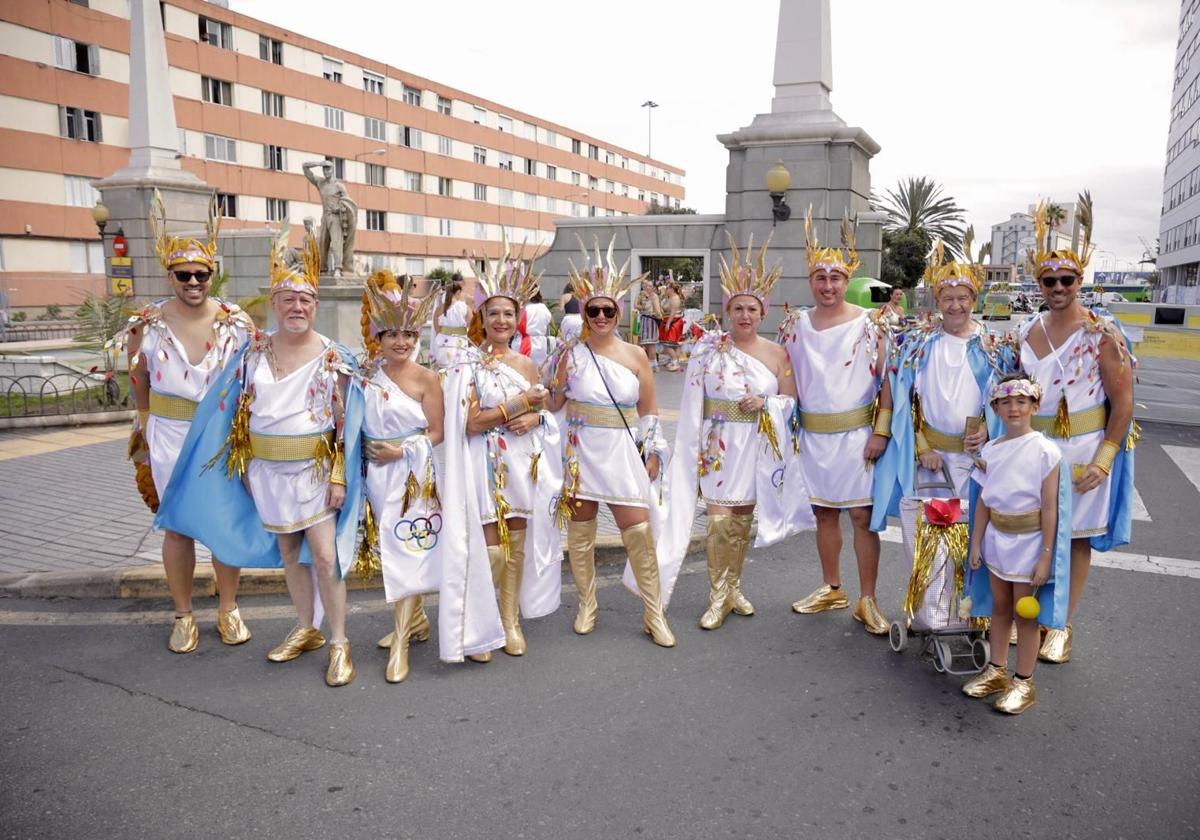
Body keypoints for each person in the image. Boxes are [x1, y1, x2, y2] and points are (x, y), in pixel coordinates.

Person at [206, 226, 362, 686]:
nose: (297, 307)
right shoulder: (252, 353)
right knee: (289, 554)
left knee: (326, 557)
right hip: (267, 473)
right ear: (274, 303)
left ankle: (338, 642)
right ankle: (307, 627)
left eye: (306, 301)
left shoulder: (334, 356)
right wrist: (246, 469)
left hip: (314, 471)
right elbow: (235, 413)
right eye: (288, 299)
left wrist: (338, 476)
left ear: (315, 306)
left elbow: (345, 426)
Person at [113, 190, 255, 653]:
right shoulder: (147, 324)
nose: (193, 282)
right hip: (170, 434)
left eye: (201, 274)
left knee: (223, 521)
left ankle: (229, 608)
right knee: (178, 526)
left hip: (219, 433)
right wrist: (144, 425)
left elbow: (254, 378)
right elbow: (139, 381)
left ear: (212, 274)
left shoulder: (238, 323)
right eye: (184, 275)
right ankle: (183, 615)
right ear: (169, 274)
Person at [660, 234, 815, 630]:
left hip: (754, 445)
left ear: (761, 313)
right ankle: (717, 596)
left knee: (741, 523)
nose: (745, 315)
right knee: (717, 522)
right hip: (716, 445)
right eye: (738, 308)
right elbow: (693, 402)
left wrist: (767, 404)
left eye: (752, 308)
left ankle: (733, 587)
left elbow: (792, 402)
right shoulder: (708, 349)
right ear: (728, 311)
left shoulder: (778, 353)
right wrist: (690, 448)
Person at [346, 270, 486, 681]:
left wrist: (401, 450)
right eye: (392, 334)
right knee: (392, 550)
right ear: (379, 337)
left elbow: (438, 432)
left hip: (414, 475)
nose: (401, 342)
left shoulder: (428, 379)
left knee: (411, 548)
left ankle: (402, 639)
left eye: (408, 333)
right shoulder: (366, 374)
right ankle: (417, 620)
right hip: (376, 474)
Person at [1016, 194, 1136, 663]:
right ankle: (1030, 620)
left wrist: (1106, 458)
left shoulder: (1102, 333)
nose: (1058, 286)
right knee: (1032, 533)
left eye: (1066, 279)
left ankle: (1062, 625)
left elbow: (1123, 402)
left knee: (1075, 537)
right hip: (1035, 450)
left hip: (1085, 447)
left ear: (1079, 280)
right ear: (1039, 283)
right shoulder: (1026, 331)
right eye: (1049, 280)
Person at [545, 237, 674, 647]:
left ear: (618, 312)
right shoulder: (570, 354)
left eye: (608, 310)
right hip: (581, 450)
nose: (600, 316)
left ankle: (654, 614)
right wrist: (552, 384)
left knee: (637, 531)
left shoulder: (636, 355)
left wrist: (652, 451)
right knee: (580, 534)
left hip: (621, 450)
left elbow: (650, 409)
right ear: (583, 311)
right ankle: (587, 604)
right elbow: (553, 403)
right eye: (593, 309)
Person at [441, 239, 562, 661]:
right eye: (493, 313)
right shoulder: (467, 363)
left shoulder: (527, 364)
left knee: (518, 546)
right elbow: (472, 423)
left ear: (518, 319)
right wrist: (517, 406)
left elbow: (543, 410)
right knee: (491, 550)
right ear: (482, 318)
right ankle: (483, 621)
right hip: (483, 465)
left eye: (509, 313)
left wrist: (536, 417)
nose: (501, 320)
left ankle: (510, 620)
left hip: (521, 463)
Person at [778, 209, 894, 635]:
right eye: (820, 278)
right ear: (811, 280)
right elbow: (785, 378)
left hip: (857, 439)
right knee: (824, 516)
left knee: (862, 518)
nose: (828, 286)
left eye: (836, 278)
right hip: (812, 437)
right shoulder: (795, 325)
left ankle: (868, 598)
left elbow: (888, 382)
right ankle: (832, 587)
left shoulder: (872, 325)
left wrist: (880, 431)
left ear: (848, 281)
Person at [872, 231, 1009, 523]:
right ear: (937, 300)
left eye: (962, 297)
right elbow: (900, 398)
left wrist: (988, 428)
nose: (955, 305)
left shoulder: (994, 348)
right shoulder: (915, 344)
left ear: (974, 299)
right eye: (947, 298)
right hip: (929, 464)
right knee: (928, 553)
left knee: (970, 550)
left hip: (976, 463)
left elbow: (1009, 401)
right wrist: (922, 446)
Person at [962, 373, 1071, 714]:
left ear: (1035, 405)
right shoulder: (991, 449)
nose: (1013, 408)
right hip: (997, 541)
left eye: (1021, 401)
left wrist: (1045, 557)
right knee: (999, 608)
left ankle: (1024, 682)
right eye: (1005, 402)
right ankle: (996, 669)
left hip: (1029, 545)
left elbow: (1051, 509)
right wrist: (976, 543)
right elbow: (983, 502)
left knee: (1025, 617)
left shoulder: (1045, 451)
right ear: (995, 407)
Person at [302, 159, 358, 278]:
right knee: (323, 243)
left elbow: (348, 202)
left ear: (332, 170)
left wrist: (339, 208)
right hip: (325, 216)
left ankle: (338, 268)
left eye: (328, 169)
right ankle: (323, 268)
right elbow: (305, 168)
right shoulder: (320, 183)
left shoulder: (339, 186)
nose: (325, 171)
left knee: (336, 243)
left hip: (335, 218)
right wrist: (317, 163)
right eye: (324, 169)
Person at [430, 273, 470, 370]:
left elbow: (436, 326)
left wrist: (444, 335)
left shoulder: (440, 306)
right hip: (459, 342)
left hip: (443, 341)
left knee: (444, 370)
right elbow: (471, 324)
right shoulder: (464, 304)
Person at [518, 289, 554, 369]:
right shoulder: (543, 307)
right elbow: (548, 319)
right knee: (541, 370)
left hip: (522, 341)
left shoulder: (523, 307)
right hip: (541, 342)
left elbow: (518, 324)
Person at [634, 278, 663, 370]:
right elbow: (636, 306)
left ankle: (651, 363)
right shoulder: (643, 296)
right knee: (646, 343)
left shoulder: (654, 296)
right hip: (644, 320)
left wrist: (655, 313)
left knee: (650, 343)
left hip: (650, 321)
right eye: (646, 285)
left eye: (650, 286)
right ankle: (654, 364)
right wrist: (639, 300)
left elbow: (658, 311)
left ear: (653, 287)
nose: (647, 287)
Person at [659, 279, 686, 372]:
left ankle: (675, 362)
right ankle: (674, 361)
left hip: (674, 322)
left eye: (667, 288)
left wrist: (668, 323)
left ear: (672, 290)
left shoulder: (675, 298)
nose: (666, 290)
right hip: (671, 321)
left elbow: (673, 312)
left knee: (668, 343)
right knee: (675, 344)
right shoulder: (670, 297)